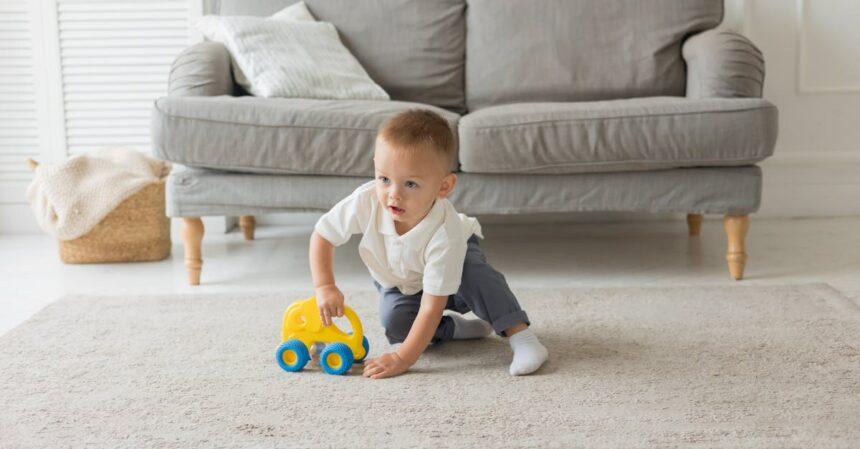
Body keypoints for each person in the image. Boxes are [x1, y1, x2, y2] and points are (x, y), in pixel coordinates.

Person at [310, 109, 548, 379]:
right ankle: (455, 330)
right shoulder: (366, 202)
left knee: (477, 277)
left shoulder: (446, 233)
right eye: (384, 179)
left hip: (453, 273)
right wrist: (325, 286)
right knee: (397, 325)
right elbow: (323, 235)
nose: (393, 195)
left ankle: (522, 336)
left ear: (443, 187)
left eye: (410, 184)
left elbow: (431, 305)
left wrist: (402, 358)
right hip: (402, 280)